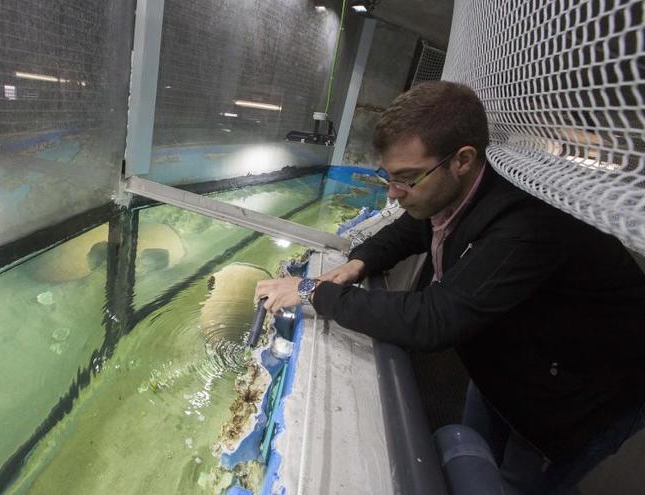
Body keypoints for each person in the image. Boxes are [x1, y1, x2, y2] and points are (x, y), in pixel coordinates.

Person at [254, 81, 645, 495]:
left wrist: (315, 289)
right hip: (511, 356)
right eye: (388, 177)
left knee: (518, 479)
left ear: (462, 160)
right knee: (478, 442)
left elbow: (432, 320)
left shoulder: (527, 223)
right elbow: (413, 224)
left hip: (580, 395)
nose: (393, 193)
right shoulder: (460, 186)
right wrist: (358, 262)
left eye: (406, 179)